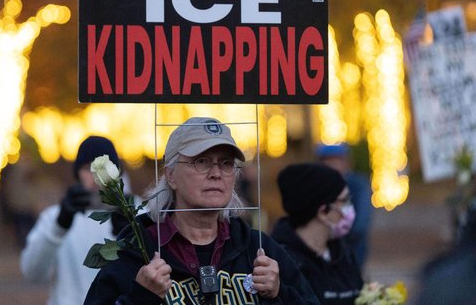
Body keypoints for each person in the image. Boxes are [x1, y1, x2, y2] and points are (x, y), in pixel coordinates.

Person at [84, 117, 319, 305]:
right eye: (202, 162)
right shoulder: (138, 250)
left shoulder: (258, 250)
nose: (216, 172)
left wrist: (279, 294)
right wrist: (140, 297)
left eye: (226, 163)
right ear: (171, 175)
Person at [20, 136, 128, 304]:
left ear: (116, 171)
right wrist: (59, 226)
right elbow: (31, 272)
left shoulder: (136, 213)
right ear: (77, 173)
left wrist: (130, 234)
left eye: (102, 168)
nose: (95, 176)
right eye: (87, 168)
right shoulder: (54, 217)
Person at [271, 163, 363, 305]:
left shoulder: (343, 252)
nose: (350, 207)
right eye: (344, 201)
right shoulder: (282, 262)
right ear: (323, 212)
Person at [316, 143, 372, 269]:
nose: (332, 164)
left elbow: (360, 223)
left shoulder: (358, 185)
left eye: (336, 159)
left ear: (346, 161)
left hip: (353, 250)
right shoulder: (316, 185)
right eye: (327, 160)